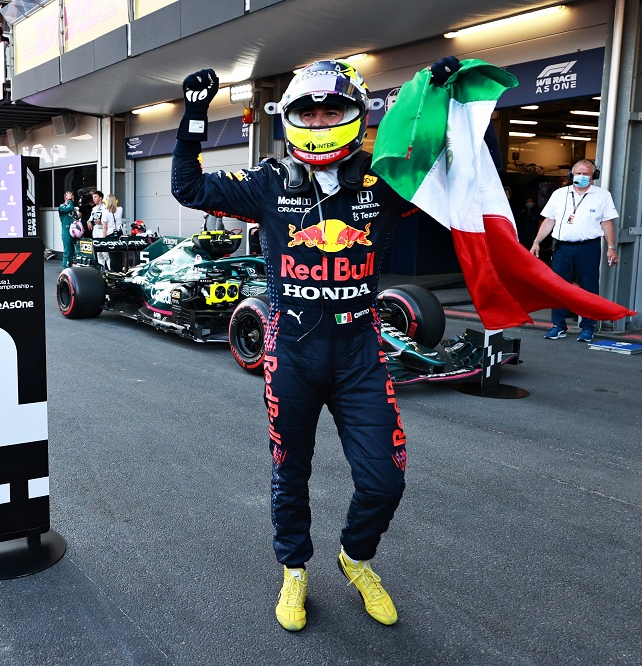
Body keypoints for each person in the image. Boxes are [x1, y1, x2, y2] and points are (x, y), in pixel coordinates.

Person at [171, 59, 455, 631]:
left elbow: (438, 157)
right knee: (290, 472)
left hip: (360, 353)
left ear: (356, 116)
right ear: (289, 119)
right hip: (291, 352)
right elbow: (187, 187)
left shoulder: (385, 180)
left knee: (384, 480)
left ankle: (356, 557)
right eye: (309, 111)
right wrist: (195, 116)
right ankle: (294, 570)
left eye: (333, 110)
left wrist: (438, 94)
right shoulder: (269, 181)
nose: (321, 122)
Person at [530, 159, 619, 342]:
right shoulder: (559, 194)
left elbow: (607, 222)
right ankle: (558, 325)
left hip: (588, 247)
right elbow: (549, 220)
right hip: (563, 247)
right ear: (572, 175)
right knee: (558, 287)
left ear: (593, 176)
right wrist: (537, 241)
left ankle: (587, 327)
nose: (581, 176)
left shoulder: (602, 196)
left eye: (586, 173)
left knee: (589, 287)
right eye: (578, 173)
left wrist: (611, 247)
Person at [104, 194, 125, 271]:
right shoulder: (120, 209)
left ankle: (113, 271)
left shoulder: (105, 212)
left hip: (110, 234)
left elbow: (105, 227)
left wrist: (103, 238)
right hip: (119, 233)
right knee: (119, 255)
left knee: (112, 255)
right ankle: (119, 270)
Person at [58, 190, 78, 269]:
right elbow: (68, 208)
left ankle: (71, 268)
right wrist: (70, 201)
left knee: (73, 252)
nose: (72, 201)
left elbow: (76, 217)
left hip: (74, 231)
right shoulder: (62, 207)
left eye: (72, 199)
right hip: (66, 231)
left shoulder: (72, 207)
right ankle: (65, 269)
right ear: (65, 198)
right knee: (67, 251)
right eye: (70, 199)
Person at [87, 190, 108, 268]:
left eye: (95, 197)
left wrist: (102, 223)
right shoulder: (94, 208)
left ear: (100, 198)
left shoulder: (105, 207)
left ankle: (109, 270)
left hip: (103, 230)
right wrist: (88, 222)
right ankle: (101, 270)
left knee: (105, 252)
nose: (94, 199)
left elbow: (109, 220)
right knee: (98, 252)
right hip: (95, 231)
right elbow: (90, 218)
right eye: (93, 197)